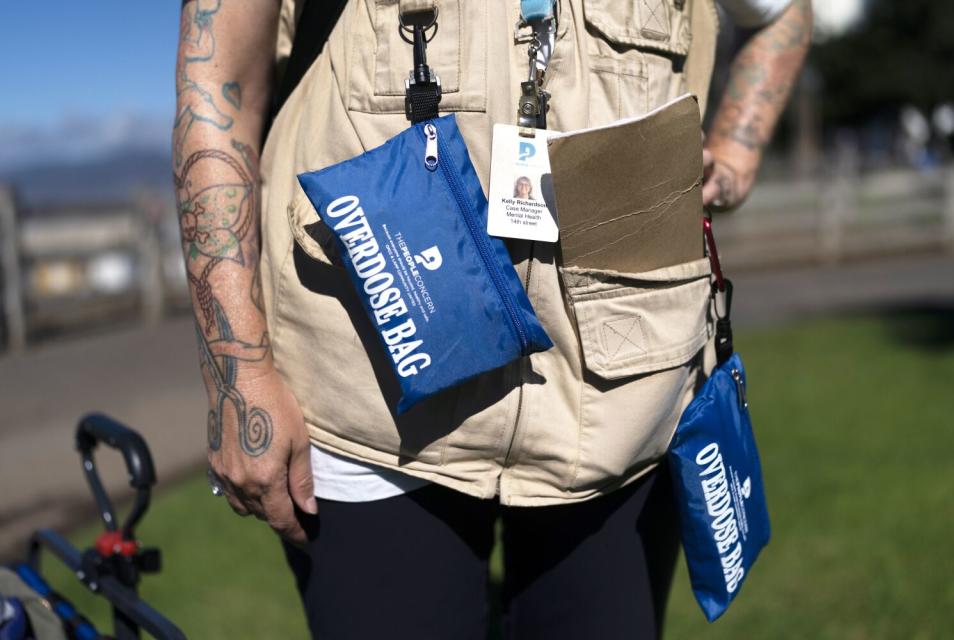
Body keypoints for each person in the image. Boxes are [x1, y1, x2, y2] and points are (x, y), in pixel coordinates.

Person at [173, 0, 811, 638]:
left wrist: (736, 151)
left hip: (627, 404)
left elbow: (781, 13)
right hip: (366, 405)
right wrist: (238, 374)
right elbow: (217, 84)